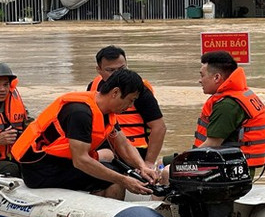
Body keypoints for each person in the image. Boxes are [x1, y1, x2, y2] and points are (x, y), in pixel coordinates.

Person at [11, 69, 157, 200]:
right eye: (130, 100)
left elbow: (123, 144)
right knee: (114, 178)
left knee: (116, 170)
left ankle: (100, 199)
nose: (130, 106)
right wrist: (123, 180)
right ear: (115, 93)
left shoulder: (106, 111)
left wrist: (142, 167)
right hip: (41, 170)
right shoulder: (80, 113)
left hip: (63, 164)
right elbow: (80, 161)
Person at [161, 51, 265, 184]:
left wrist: (174, 160)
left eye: (202, 75)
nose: (200, 80)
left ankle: (166, 205)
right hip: (233, 165)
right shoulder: (239, 94)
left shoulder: (227, 105)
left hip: (229, 169)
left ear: (217, 77)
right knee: (165, 164)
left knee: (166, 172)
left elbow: (211, 145)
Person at [87, 46, 166, 168]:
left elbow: (159, 128)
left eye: (122, 68)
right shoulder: (93, 86)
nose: (118, 74)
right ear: (99, 70)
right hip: (104, 147)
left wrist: (149, 163)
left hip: (135, 149)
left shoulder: (140, 90)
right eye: (111, 70)